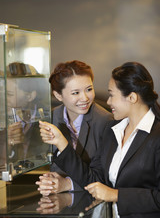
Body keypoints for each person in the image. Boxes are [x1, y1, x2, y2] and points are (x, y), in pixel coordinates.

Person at [39, 61, 160, 217]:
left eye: (111, 95)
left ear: (132, 97)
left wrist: (115, 195)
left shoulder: (156, 135)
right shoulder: (113, 130)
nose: (108, 102)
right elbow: (94, 178)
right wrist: (62, 144)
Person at [36, 60, 112, 195]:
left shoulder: (106, 122)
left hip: (92, 202)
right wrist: (50, 181)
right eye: (75, 93)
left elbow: (102, 178)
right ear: (58, 95)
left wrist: (67, 184)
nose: (85, 98)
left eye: (89, 89)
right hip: (58, 200)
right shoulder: (51, 118)